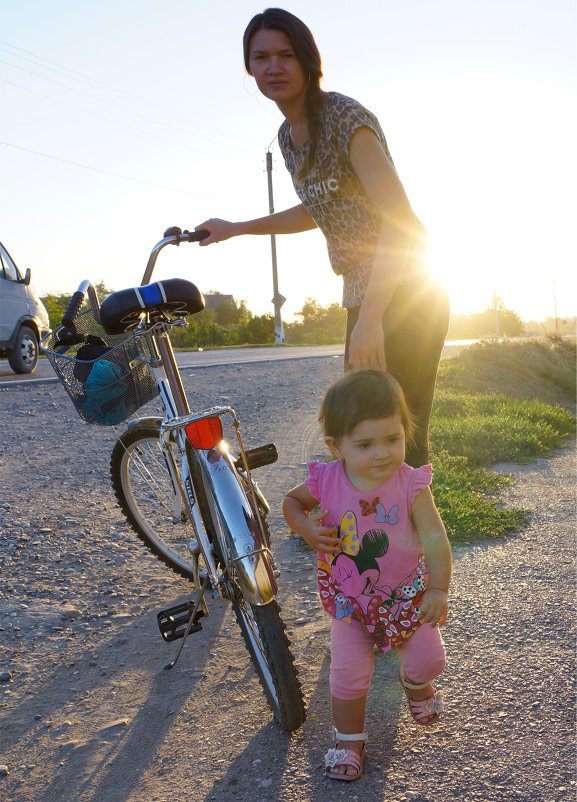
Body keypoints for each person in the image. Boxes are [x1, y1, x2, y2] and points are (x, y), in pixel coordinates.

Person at [195, 7, 450, 468]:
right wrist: (236, 228)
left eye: (286, 55)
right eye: (262, 57)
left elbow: (401, 221)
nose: (274, 67)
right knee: (362, 430)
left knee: (398, 436)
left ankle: (420, 538)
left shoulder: (343, 117)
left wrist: (371, 319)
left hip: (409, 289)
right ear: (249, 67)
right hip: (364, 291)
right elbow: (316, 208)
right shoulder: (288, 137)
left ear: (308, 60)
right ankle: (376, 533)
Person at [282, 370, 452, 781]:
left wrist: (438, 589)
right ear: (335, 446)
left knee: (431, 661)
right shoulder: (326, 480)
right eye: (365, 444)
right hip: (351, 599)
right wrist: (306, 529)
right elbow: (291, 503)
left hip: (408, 597)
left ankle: (414, 684)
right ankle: (349, 740)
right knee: (348, 673)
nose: (382, 454)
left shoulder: (411, 483)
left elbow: (434, 536)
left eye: (392, 439)